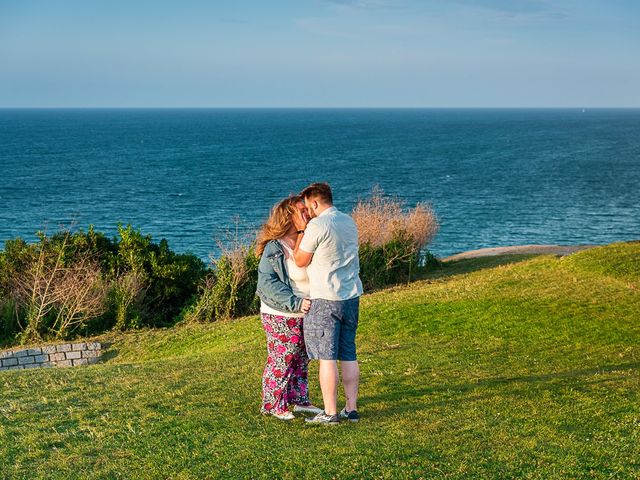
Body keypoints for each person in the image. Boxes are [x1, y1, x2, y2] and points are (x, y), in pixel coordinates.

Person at [293, 182, 363, 425]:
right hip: (351, 296)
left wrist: (302, 230)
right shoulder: (348, 221)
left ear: (314, 202)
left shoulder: (316, 225)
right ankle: (351, 409)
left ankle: (330, 412)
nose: (307, 212)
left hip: (325, 297)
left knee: (327, 357)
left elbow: (300, 260)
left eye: (307, 207)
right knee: (348, 352)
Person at [255, 195, 323, 420]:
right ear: (288, 216)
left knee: (302, 358)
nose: (307, 213)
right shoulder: (275, 247)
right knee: (282, 357)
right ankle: (273, 403)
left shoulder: (307, 241)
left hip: (307, 311)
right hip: (280, 313)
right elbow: (267, 283)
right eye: (301, 211)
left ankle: (299, 400)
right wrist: (295, 303)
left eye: (307, 210)